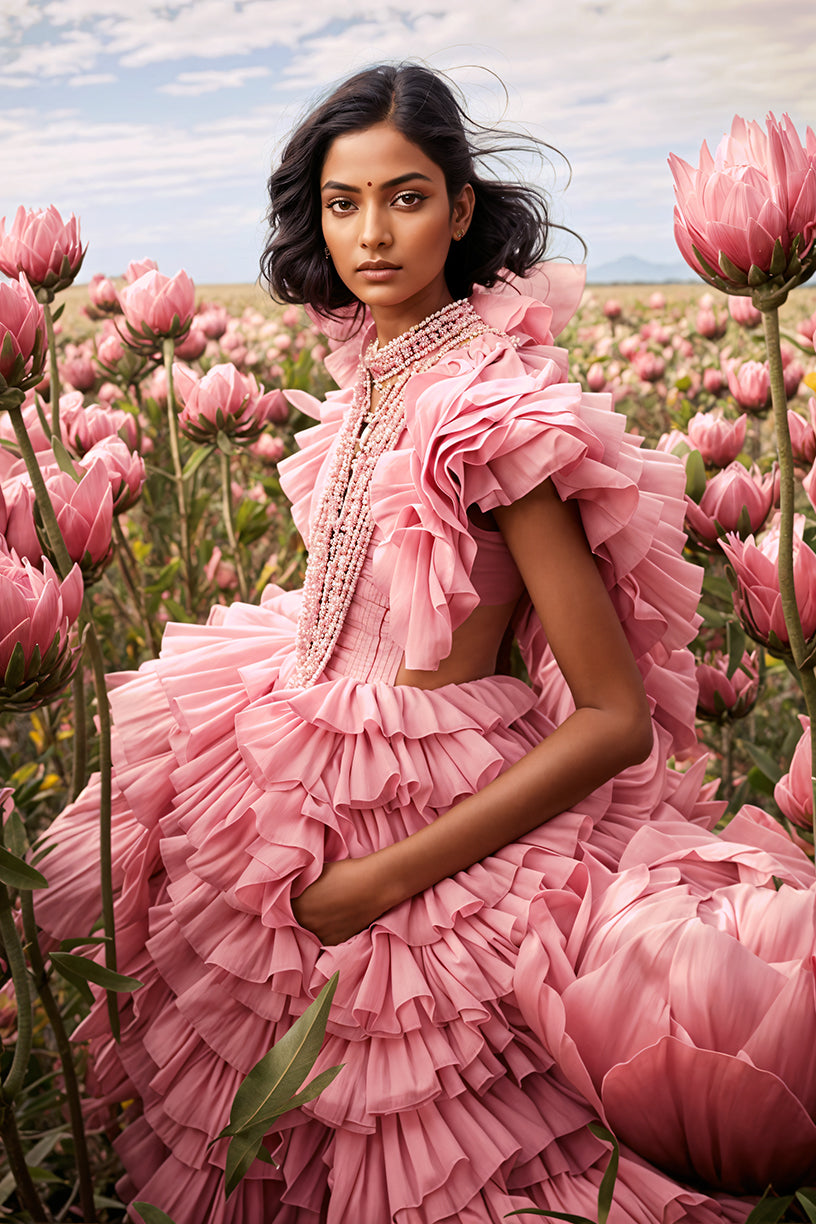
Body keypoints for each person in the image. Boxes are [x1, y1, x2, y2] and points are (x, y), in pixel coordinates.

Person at [34, 62, 816, 1224]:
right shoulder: (362, 381)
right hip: (289, 776)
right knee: (271, 1140)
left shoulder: (490, 406)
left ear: (459, 206)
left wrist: (373, 885)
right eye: (343, 204)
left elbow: (612, 718)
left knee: (435, 1151)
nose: (372, 233)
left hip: (431, 833)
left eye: (405, 197)